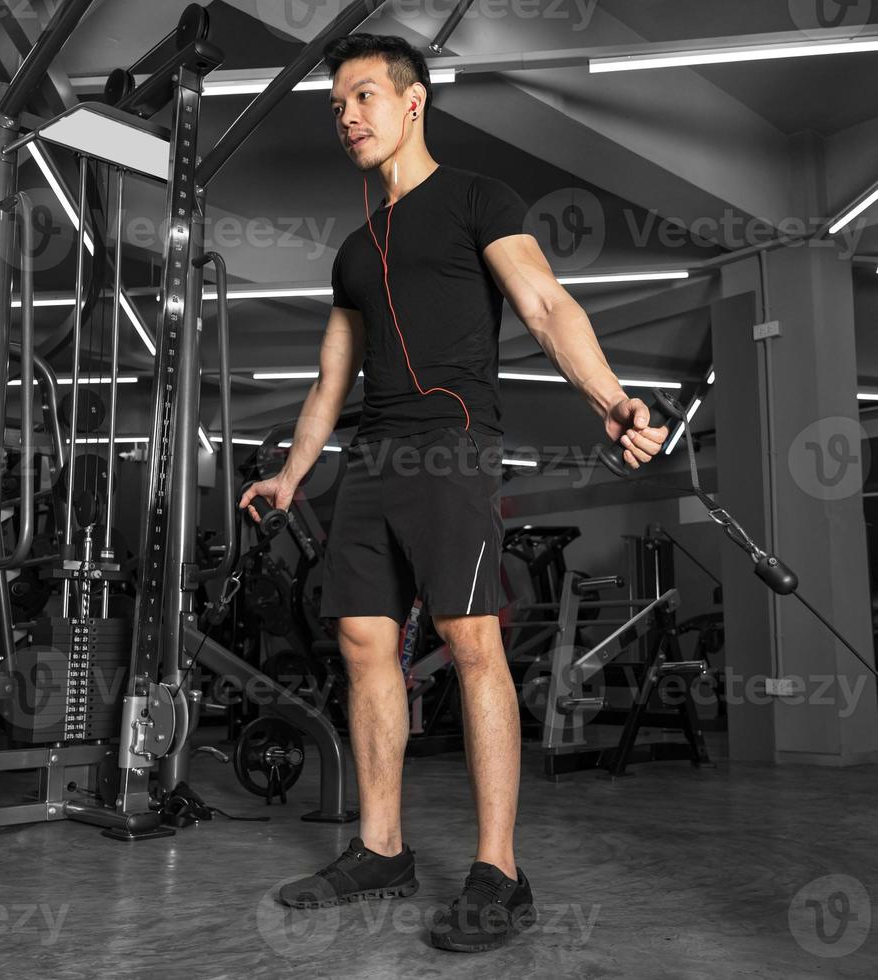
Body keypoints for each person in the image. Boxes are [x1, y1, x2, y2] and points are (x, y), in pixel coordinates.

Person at [239, 33, 669, 953]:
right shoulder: (355, 251)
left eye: (361, 97)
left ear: (413, 101)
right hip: (375, 454)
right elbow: (329, 380)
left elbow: (547, 305)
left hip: (453, 444)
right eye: (336, 105)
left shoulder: (480, 199)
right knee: (363, 642)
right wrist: (291, 474)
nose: (346, 115)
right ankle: (381, 850)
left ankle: (499, 873)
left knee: (472, 642)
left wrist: (610, 399)